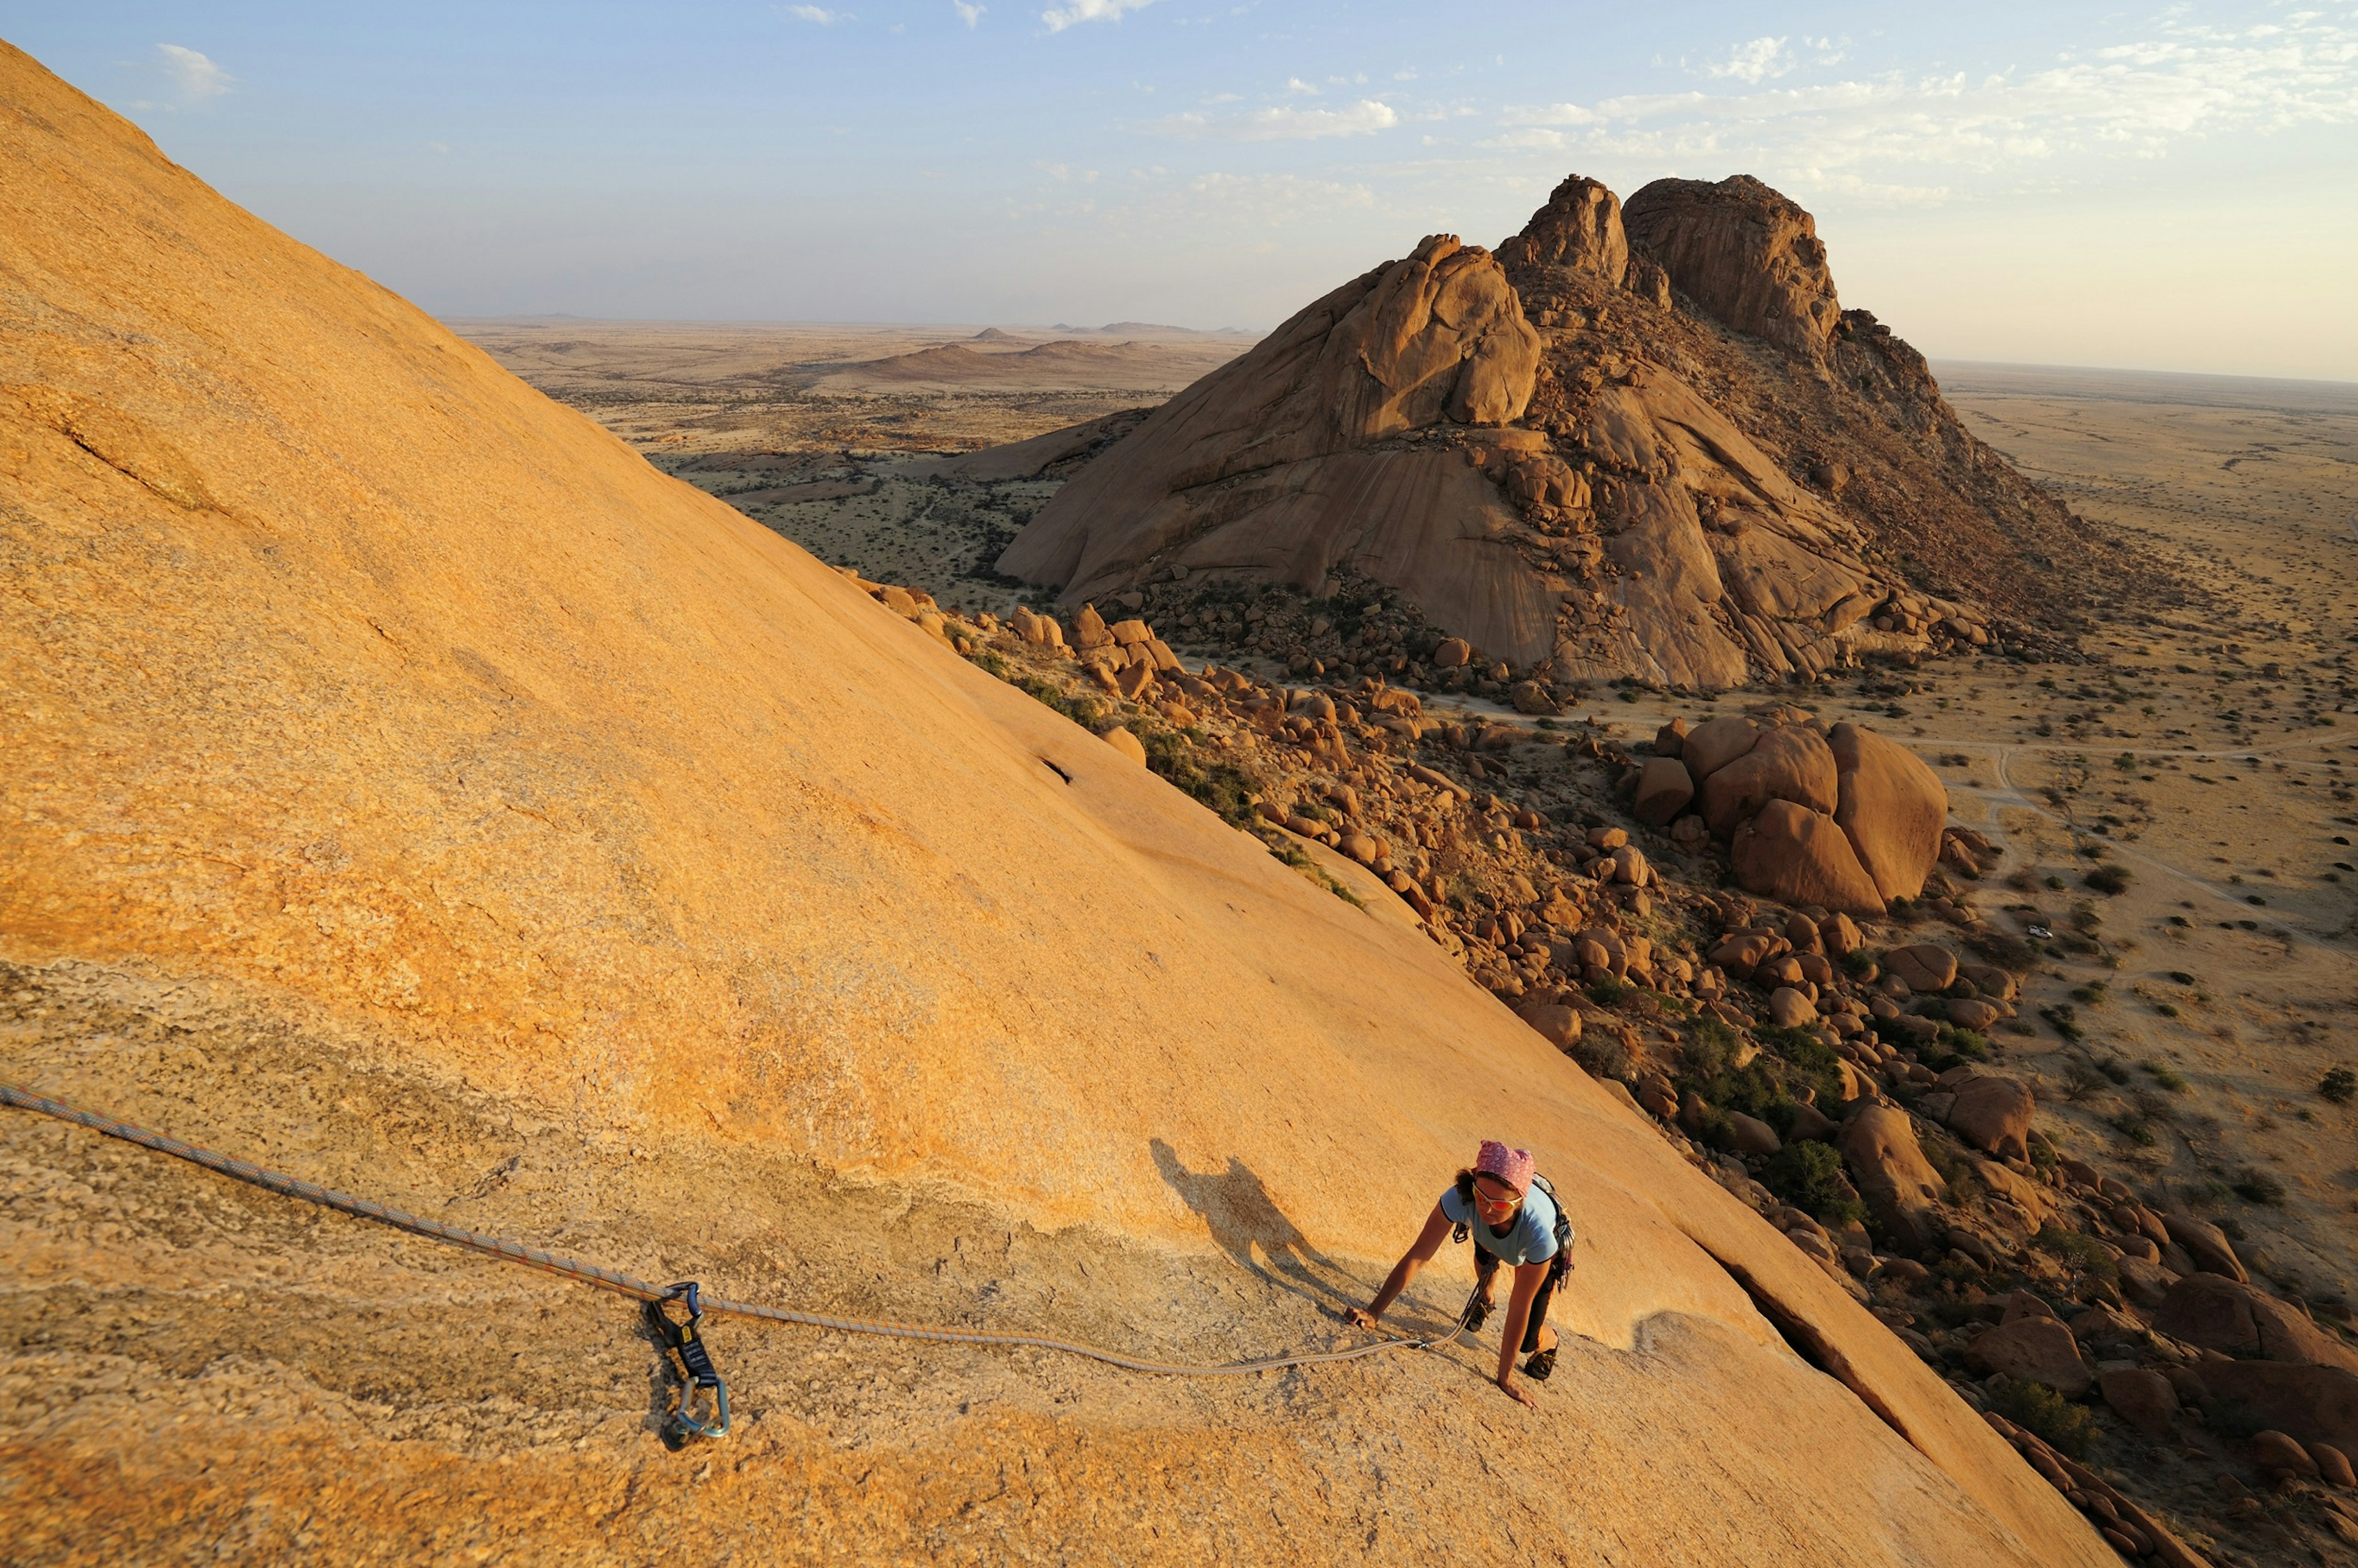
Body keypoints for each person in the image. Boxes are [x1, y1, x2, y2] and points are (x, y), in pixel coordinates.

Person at [1345, 1140, 1567, 1407]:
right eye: (1482, 1198)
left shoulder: (1538, 1233)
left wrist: (1505, 1378)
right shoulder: (1463, 1197)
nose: (1486, 1209)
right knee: (1486, 1250)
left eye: (1499, 1205)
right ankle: (1486, 1298)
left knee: (1529, 1339)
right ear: (1473, 1182)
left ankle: (1550, 1341)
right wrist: (1374, 1312)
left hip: (1529, 1246)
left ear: (1519, 1202)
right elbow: (1419, 1255)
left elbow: (1520, 1304)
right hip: (1493, 1237)